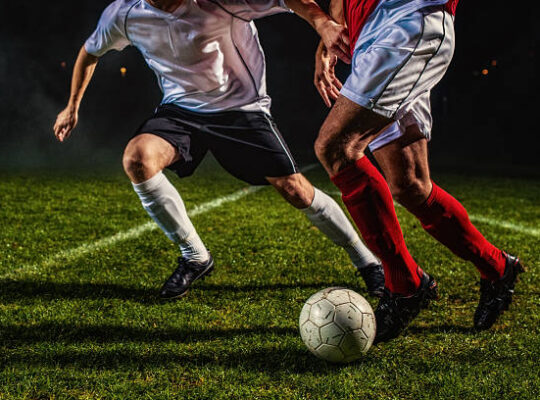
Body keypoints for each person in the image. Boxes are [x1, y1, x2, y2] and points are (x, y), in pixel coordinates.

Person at [53, 0, 385, 300]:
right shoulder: (124, 14)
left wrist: (323, 24)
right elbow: (90, 51)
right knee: (137, 158)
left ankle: (366, 260)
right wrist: (71, 107)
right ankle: (195, 257)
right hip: (181, 111)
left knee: (294, 189)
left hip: (241, 110)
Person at [313, 0, 525, 343]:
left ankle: (405, 286)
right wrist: (326, 45)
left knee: (336, 147)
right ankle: (498, 268)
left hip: (408, 21)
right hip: (371, 36)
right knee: (410, 184)